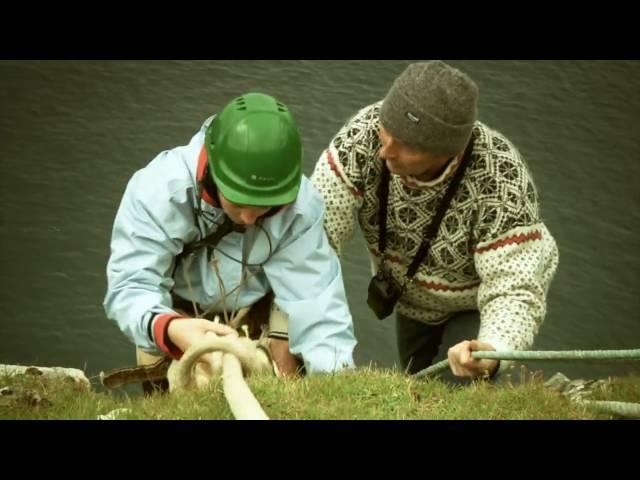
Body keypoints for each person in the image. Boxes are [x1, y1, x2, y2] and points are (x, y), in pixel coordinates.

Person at [310, 61, 559, 379]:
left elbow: (515, 290)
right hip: (411, 301)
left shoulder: (501, 179)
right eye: (386, 130)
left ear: (447, 152)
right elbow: (316, 235)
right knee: (418, 383)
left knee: (456, 387)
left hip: (476, 305)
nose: (386, 151)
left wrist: (493, 349)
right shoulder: (361, 139)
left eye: (406, 145)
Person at [104, 92, 356, 393]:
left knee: (286, 384)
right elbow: (131, 288)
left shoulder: (300, 206)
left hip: (258, 306)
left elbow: (318, 307)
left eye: (266, 206)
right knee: (172, 396)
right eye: (238, 201)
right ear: (212, 170)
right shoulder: (157, 192)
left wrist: (336, 391)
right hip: (176, 310)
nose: (249, 219)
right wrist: (170, 328)